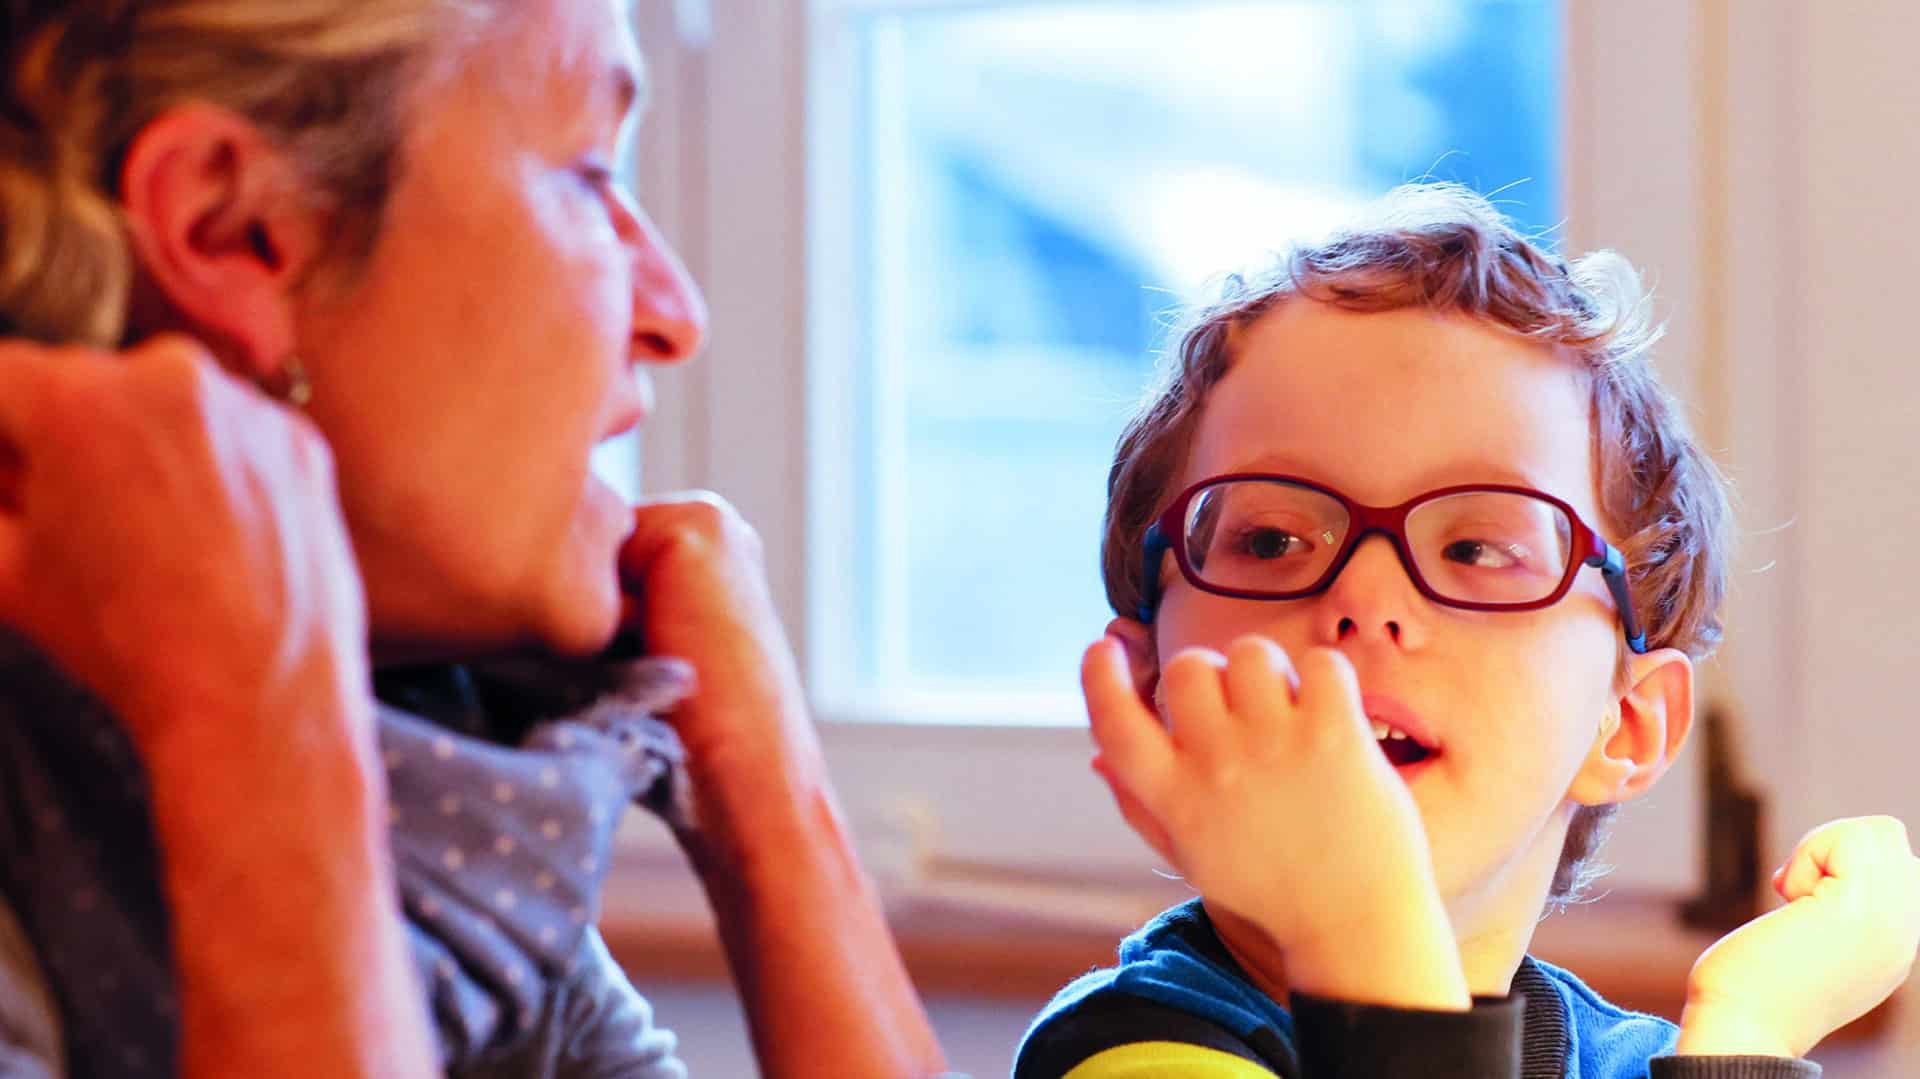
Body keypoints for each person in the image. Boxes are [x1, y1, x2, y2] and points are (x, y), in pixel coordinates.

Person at [0, 1, 948, 1076]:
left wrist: (775, 806)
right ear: (231, 222)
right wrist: (260, 733)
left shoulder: (446, 828)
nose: (676, 312)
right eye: (591, 175)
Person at [1014, 184, 1920, 1078]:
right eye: (1271, 539)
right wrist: (1355, 919)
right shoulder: (1132, 1053)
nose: (1366, 599)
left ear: (1630, 723)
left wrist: (1748, 1018)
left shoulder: (1652, 1064)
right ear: (1150, 689)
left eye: (1482, 548)